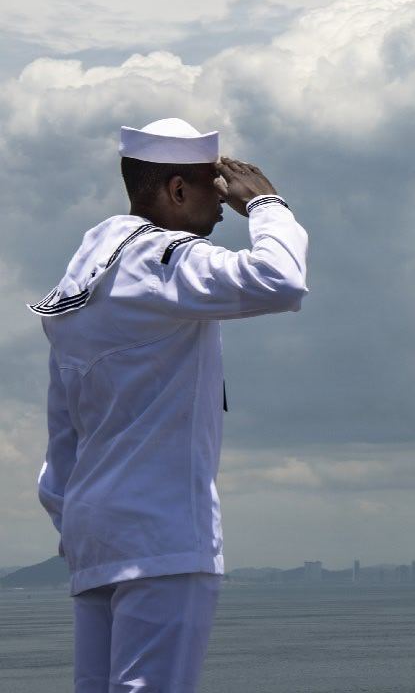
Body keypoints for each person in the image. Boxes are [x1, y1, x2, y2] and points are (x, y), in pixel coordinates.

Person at [34, 117, 310, 692]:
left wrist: (78, 525)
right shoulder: (163, 261)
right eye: (214, 185)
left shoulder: (79, 284)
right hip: (163, 535)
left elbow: (63, 436)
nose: (222, 202)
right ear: (177, 190)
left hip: (96, 535)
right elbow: (280, 280)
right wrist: (267, 205)